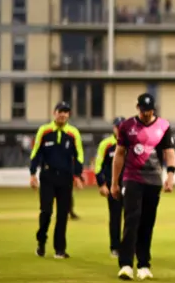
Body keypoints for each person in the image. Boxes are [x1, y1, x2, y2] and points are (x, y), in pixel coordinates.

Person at [111, 93, 175, 281]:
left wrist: (170, 176)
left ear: (153, 109)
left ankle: (144, 264)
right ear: (137, 108)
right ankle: (125, 264)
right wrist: (115, 182)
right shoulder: (127, 126)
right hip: (132, 179)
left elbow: (169, 153)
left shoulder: (163, 126)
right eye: (143, 110)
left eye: (149, 110)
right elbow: (119, 154)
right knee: (131, 220)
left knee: (147, 223)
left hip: (153, 180)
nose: (146, 114)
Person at [30, 101, 84, 259]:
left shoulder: (73, 133)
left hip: (65, 178)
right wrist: (32, 174)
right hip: (48, 177)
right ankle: (41, 241)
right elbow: (36, 153)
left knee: (62, 215)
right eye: (61, 111)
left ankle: (59, 249)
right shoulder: (44, 131)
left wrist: (78, 175)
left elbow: (79, 155)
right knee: (46, 212)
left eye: (66, 112)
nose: (63, 115)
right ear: (54, 113)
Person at [95, 117, 125, 257]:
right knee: (115, 217)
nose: (119, 129)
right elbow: (98, 166)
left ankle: (130, 246)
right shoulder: (106, 145)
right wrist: (101, 184)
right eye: (117, 127)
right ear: (114, 128)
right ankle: (115, 247)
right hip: (113, 187)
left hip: (130, 186)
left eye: (122, 127)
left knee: (132, 218)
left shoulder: (131, 144)